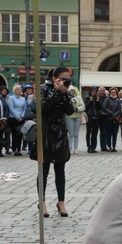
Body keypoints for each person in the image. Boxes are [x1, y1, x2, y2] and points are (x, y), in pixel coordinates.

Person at [32, 66, 73, 217]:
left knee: (60, 170)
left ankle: (61, 202)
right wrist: (56, 92)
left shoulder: (66, 91)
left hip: (60, 133)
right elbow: (42, 108)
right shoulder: (43, 89)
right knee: (43, 169)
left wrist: (64, 94)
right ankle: (41, 202)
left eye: (67, 78)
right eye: (63, 78)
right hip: (46, 131)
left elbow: (69, 110)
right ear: (55, 77)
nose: (65, 81)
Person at [7, 85, 28, 156]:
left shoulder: (23, 99)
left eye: (20, 90)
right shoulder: (11, 98)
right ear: (14, 91)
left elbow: (25, 108)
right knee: (14, 134)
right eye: (17, 90)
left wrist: (22, 116)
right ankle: (14, 148)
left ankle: (19, 149)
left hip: (21, 118)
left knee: (20, 134)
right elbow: (11, 108)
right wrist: (17, 117)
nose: (19, 91)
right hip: (13, 118)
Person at [100, 87, 121, 152]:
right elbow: (104, 107)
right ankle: (109, 146)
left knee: (115, 133)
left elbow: (120, 109)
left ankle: (114, 146)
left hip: (115, 119)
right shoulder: (107, 99)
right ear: (110, 93)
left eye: (114, 92)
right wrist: (110, 112)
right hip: (108, 118)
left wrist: (115, 114)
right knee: (108, 133)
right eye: (112, 92)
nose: (113, 93)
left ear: (116, 93)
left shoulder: (118, 100)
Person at [66, 86, 85, 153]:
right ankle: (70, 148)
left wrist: (77, 109)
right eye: (71, 90)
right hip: (69, 117)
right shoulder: (67, 98)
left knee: (76, 133)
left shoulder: (79, 98)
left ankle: (76, 148)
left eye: (73, 90)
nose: (72, 92)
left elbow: (83, 106)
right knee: (71, 133)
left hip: (77, 116)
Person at [84, 86, 102, 153]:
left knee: (95, 132)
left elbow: (100, 108)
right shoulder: (87, 98)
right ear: (90, 92)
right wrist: (91, 101)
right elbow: (86, 107)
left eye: (95, 92)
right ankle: (88, 146)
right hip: (89, 116)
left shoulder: (97, 98)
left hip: (96, 117)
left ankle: (93, 146)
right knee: (88, 132)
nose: (94, 93)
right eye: (93, 92)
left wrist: (97, 101)